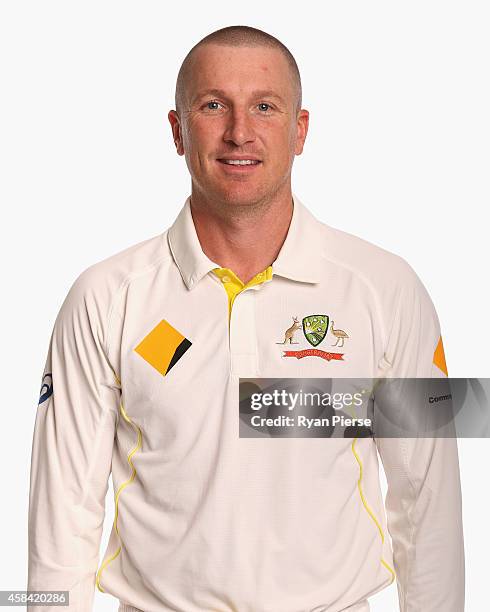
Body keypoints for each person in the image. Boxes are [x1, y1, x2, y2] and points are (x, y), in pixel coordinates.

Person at [27, 25, 465, 612]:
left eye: (264, 106)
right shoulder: (104, 297)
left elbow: (429, 499)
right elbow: (61, 519)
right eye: (213, 106)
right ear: (178, 131)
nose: (239, 132)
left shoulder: (388, 289)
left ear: (299, 130)